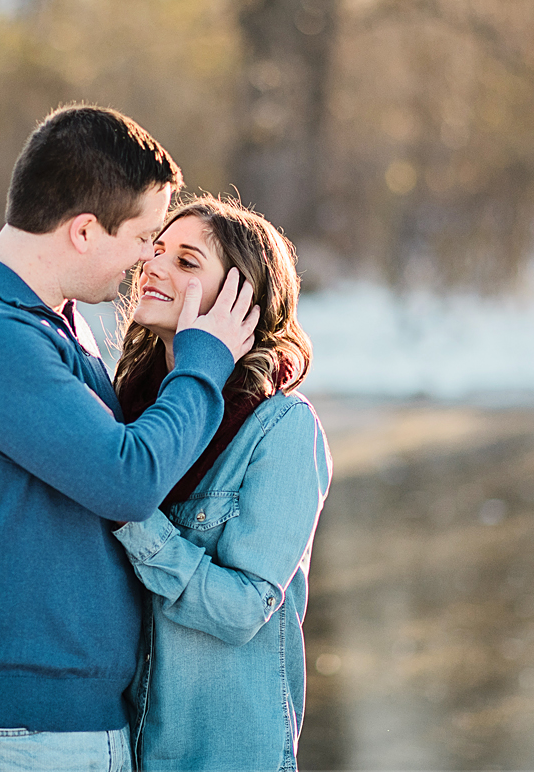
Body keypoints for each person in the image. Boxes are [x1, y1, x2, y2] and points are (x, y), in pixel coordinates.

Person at [0, 106, 259, 772]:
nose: (151, 257)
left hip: (45, 734)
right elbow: (127, 478)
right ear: (85, 231)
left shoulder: (57, 325)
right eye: (145, 236)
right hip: (2, 735)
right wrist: (205, 361)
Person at [105, 195, 330, 772]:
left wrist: (132, 513)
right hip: (124, 750)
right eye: (155, 250)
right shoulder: (127, 414)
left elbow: (243, 608)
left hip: (225, 756)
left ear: (239, 296)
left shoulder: (281, 426)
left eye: (185, 261)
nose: (152, 266)